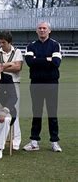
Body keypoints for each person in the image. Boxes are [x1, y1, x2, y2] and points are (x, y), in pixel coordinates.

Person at [23, 22, 62, 152]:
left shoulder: (55, 45)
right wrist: (47, 59)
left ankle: (54, 142)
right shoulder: (31, 46)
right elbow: (29, 62)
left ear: (49, 30)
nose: (42, 30)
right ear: (36, 31)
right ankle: (34, 141)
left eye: (44, 28)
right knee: (37, 113)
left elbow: (56, 62)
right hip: (36, 83)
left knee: (52, 113)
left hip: (51, 83)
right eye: (40, 28)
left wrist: (38, 59)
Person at [0, 31, 23, 150]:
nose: (1, 45)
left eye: (3, 43)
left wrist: (2, 66)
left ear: (9, 42)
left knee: (14, 112)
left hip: (13, 84)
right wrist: (10, 64)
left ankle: (15, 141)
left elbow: (17, 68)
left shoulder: (17, 51)